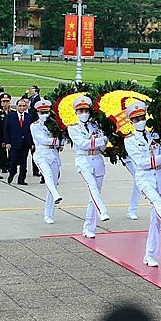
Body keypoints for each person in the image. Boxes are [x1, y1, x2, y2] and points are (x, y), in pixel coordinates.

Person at [122, 101, 161, 266]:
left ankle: (150, 254)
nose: (140, 121)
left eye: (142, 117)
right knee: (157, 204)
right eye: (136, 119)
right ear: (131, 121)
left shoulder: (154, 136)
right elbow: (142, 162)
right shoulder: (129, 140)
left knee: (155, 218)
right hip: (144, 177)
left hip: (159, 175)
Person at [67, 96, 111, 238]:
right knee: (92, 186)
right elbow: (83, 144)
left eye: (86, 110)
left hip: (97, 159)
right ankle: (102, 211)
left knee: (94, 195)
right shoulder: (73, 128)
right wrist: (101, 140)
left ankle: (89, 228)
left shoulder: (96, 126)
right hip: (83, 160)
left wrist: (100, 141)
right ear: (76, 112)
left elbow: (104, 145)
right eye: (81, 110)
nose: (84, 113)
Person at [30, 100, 63, 224]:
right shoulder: (35, 126)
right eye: (42, 112)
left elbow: (61, 139)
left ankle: (49, 214)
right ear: (38, 112)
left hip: (53, 155)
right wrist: (56, 140)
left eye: (47, 112)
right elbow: (42, 140)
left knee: (53, 182)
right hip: (41, 154)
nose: (45, 115)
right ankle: (56, 195)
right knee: (47, 175)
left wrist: (60, 139)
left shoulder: (55, 124)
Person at [4, 97, 33, 185]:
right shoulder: (10, 116)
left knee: (23, 162)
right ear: (16, 106)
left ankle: (21, 179)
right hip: (14, 143)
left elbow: (31, 131)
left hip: (25, 144)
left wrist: (32, 143)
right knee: (13, 161)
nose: (22, 108)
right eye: (20, 106)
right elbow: (6, 130)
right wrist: (7, 142)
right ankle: (12, 173)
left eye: (23, 106)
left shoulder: (29, 117)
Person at [0, 94, 11, 178]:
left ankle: (10, 167)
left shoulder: (13, 113)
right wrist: (2, 140)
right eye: (3, 102)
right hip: (1, 138)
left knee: (12, 155)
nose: (5, 104)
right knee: (0, 155)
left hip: (11, 138)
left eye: (7, 101)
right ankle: (1, 169)